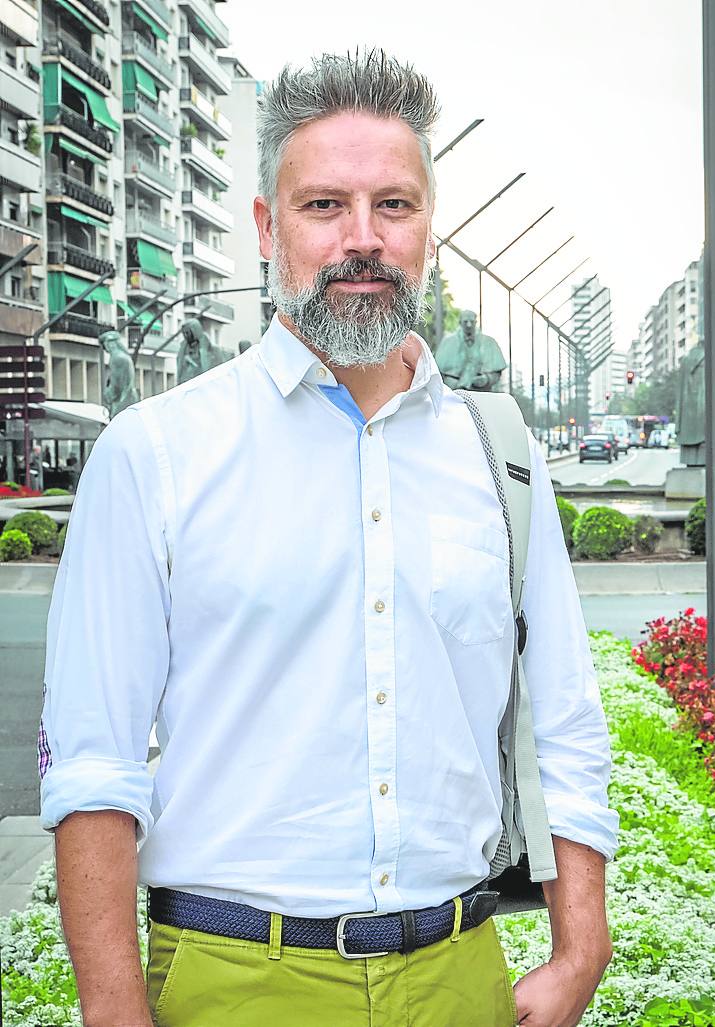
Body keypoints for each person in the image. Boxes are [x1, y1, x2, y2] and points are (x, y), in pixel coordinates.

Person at [40, 51, 617, 1027]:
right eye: (323, 207)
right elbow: (94, 763)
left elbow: (562, 718)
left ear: (427, 225)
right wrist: (114, 1010)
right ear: (268, 226)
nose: (363, 239)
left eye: (392, 204)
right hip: (234, 980)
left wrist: (580, 948)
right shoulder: (158, 452)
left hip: (458, 974)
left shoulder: (501, 454)